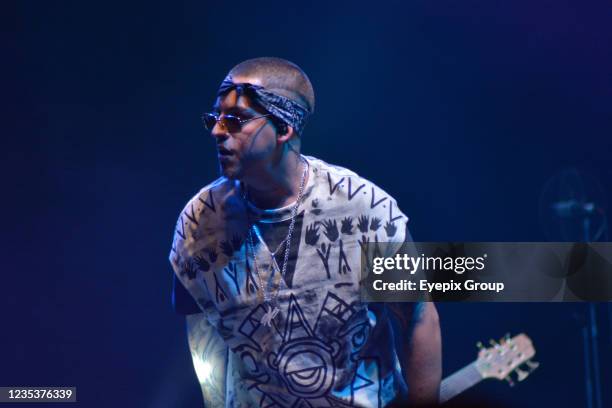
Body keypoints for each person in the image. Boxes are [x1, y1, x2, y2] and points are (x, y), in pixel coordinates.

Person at [169, 57, 441, 407]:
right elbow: (202, 334)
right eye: (215, 119)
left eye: (235, 120)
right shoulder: (198, 223)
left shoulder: (364, 209)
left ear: (284, 129)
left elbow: (418, 317)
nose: (218, 131)